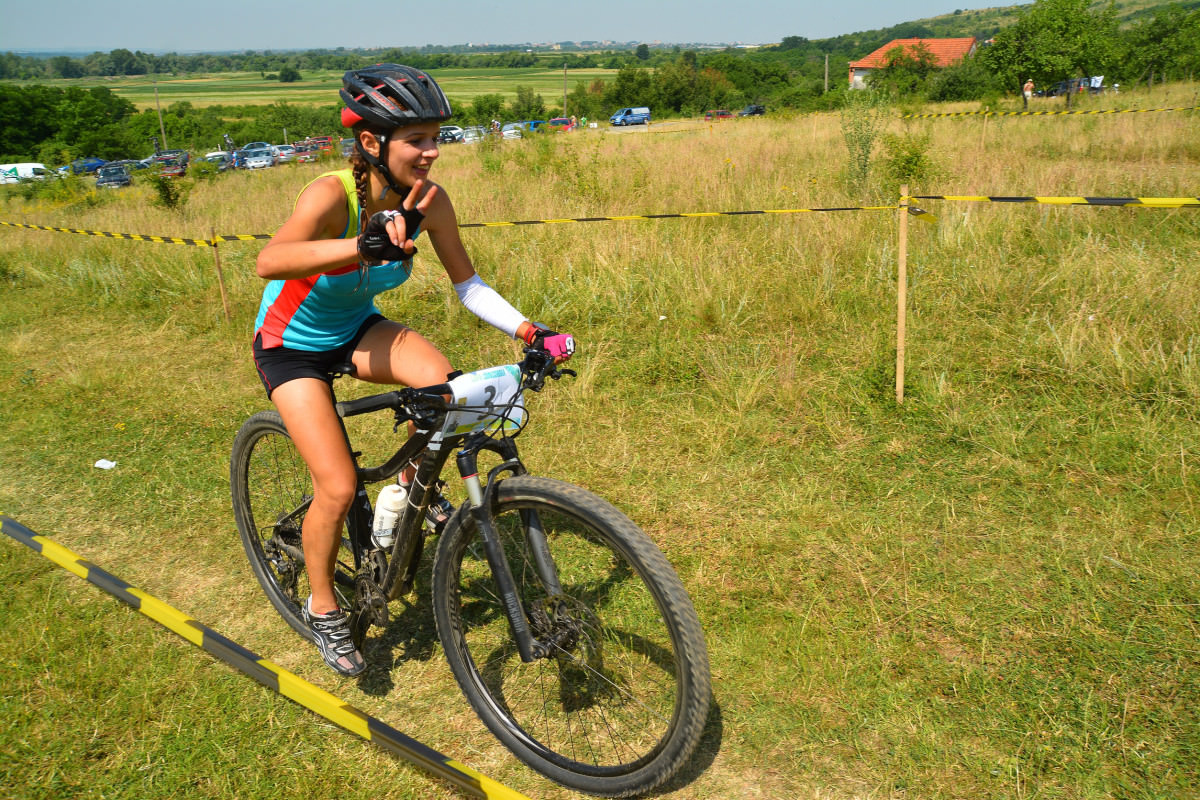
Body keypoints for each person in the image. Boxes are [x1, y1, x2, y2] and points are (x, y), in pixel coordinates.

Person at [252, 64, 575, 676]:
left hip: (354, 328)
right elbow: (270, 261)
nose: (431, 153)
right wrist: (362, 245)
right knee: (340, 485)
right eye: (417, 139)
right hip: (290, 345)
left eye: (435, 138)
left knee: (440, 385)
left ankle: (410, 491)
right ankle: (324, 609)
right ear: (372, 143)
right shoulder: (331, 195)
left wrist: (530, 330)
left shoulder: (429, 201)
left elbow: (469, 284)